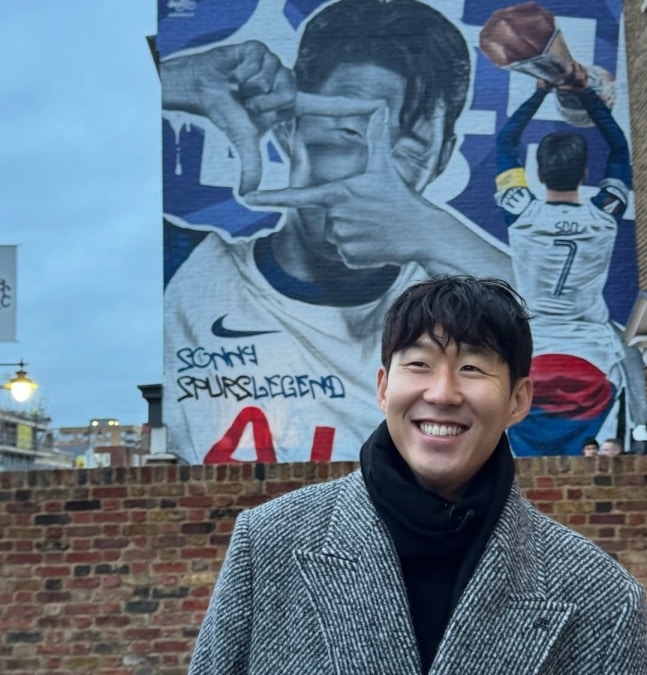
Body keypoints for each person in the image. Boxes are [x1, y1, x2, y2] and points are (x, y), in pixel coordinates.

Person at [187, 275, 647, 674]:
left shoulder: (604, 598)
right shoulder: (268, 542)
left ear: (518, 400)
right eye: (419, 364)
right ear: (384, 388)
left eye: (472, 367)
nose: (442, 393)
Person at [160, 0, 511, 464]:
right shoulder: (184, 269)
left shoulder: (461, 316)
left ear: (443, 156)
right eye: (348, 134)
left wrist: (433, 232)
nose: (371, 178)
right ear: (287, 129)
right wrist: (179, 79)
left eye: (408, 149)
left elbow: (571, 342)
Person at [494, 78, 637, 457]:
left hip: (534, 358)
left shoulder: (521, 213)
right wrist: (586, 93)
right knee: (595, 461)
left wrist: (541, 91)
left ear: (539, 175)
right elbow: (619, 150)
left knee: (525, 467)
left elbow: (505, 143)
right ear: (586, 175)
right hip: (595, 361)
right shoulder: (605, 214)